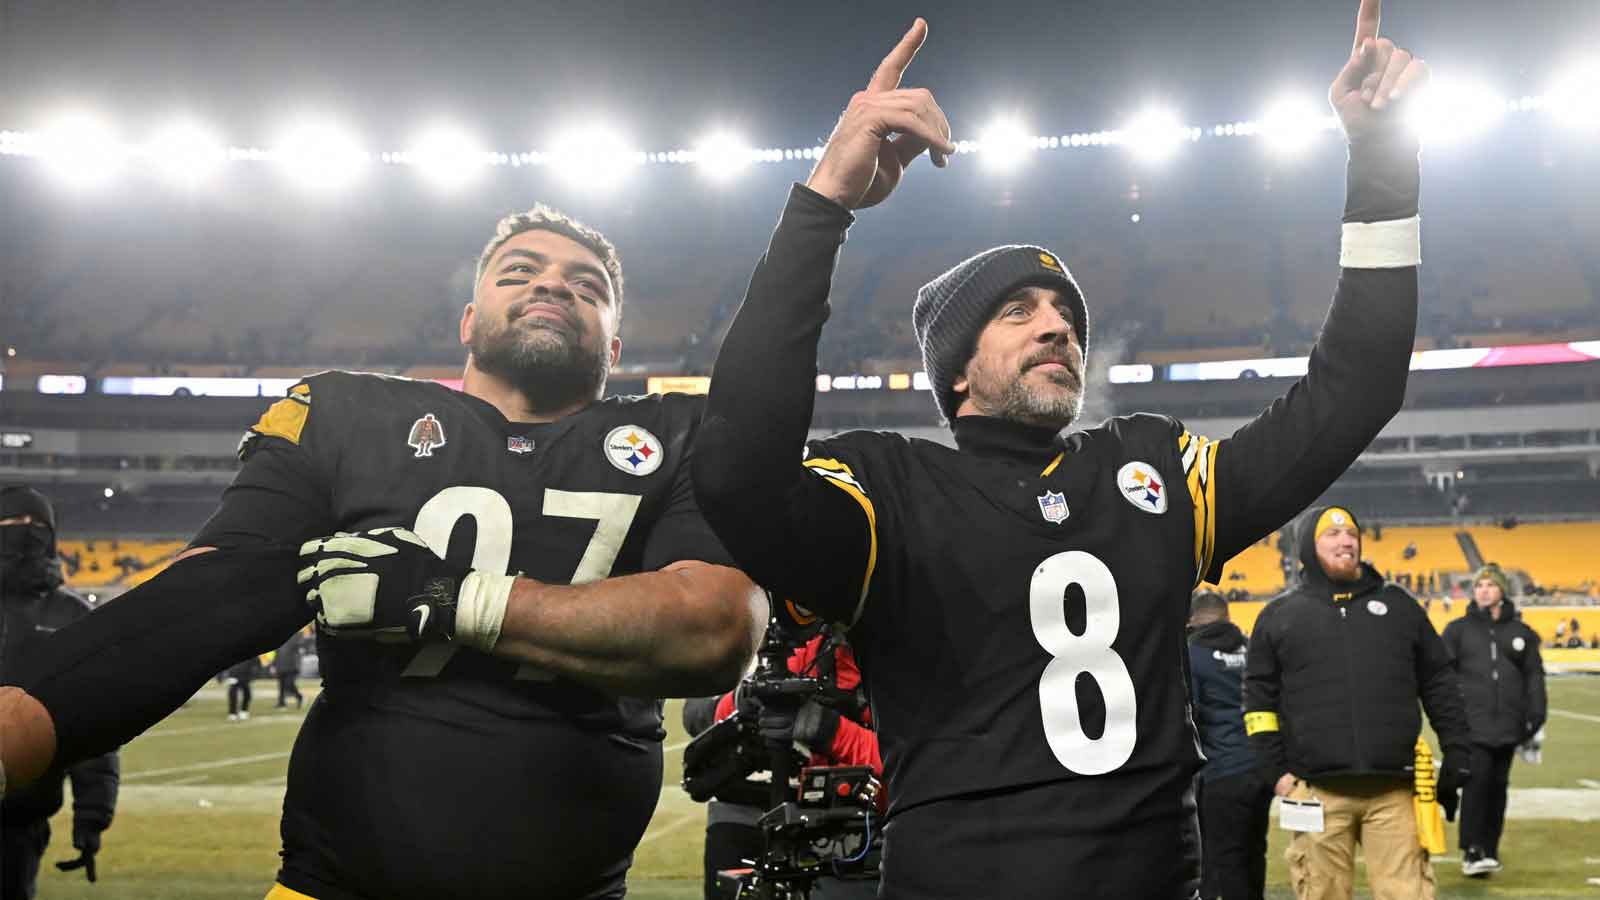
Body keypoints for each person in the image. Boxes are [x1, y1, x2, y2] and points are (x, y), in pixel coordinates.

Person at [692, 5, 1430, 896]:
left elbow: (1357, 390)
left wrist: (1381, 165)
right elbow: (734, 473)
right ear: (955, 371)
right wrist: (824, 205)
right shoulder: (891, 487)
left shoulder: (1148, 469)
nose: (1057, 328)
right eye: (1019, 312)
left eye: (1068, 317)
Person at [0, 205, 766, 900]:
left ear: (614, 343)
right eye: (520, 271)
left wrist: (448, 597)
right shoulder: (345, 414)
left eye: (586, 286)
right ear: (468, 321)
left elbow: (714, 629)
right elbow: (213, 597)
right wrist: (26, 725)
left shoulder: (680, 433)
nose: (552, 286)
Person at [1244, 505, 1471, 900]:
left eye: (1351, 533)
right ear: (1307, 547)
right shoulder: (1279, 615)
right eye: (1331, 534)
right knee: (1322, 893)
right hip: (1315, 792)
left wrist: (1457, 750)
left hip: (1394, 790)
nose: (1346, 541)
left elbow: (1439, 683)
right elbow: (1258, 701)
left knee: (1408, 895)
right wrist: (1275, 772)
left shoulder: (1399, 607)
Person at [684, 631, 881, 900]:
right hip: (812, 816)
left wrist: (828, 730)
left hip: (878, 827)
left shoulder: (907, 661)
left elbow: (917, 767)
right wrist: (748, 700)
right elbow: (706, 716)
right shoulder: (819, 648)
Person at [0, 487, 119, 897]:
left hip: (19, 817)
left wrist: (92, 813)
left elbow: (92, 720)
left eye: (37, 525)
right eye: (13, 522)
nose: (25, 531)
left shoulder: (70, 614)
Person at [1440, 563, 1546, 877]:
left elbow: (1534, 678)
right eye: (1479, 586)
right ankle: (1472, 849)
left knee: (1498, 789)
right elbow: (1442, 676)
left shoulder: (1522, 633)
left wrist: (1536, 715)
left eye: (1490, 585)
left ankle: (1489, 849)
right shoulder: (1457, 631)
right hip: (1473, 725)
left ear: (1502, 590)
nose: (1484, 591)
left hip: (1509, 727)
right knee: (1476, 785)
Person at [1188, 589, 1271, 900]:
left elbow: (1191, 716)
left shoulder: (1193, 655)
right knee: (1255, 850)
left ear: (1192, 621)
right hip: (1260, 768)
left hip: (1221, 771)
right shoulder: (1251, 649)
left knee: (1223, 858)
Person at [273, 628, 308, 710]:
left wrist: (297, 664)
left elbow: (301, 648)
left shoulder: (297, 635)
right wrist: (274, 665)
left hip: (291, 665)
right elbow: (276, 652)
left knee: (289, 684)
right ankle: (281, 703)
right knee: (281, 685)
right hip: (280, 664)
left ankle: (300, 697)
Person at [225, 654, 259, 721]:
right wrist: (230, 674)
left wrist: (252, 675)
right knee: (233, 694)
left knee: (247, 694)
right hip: (234, 674)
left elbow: (255, 662)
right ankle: (232, 713)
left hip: (245, 674)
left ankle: (243, 711)